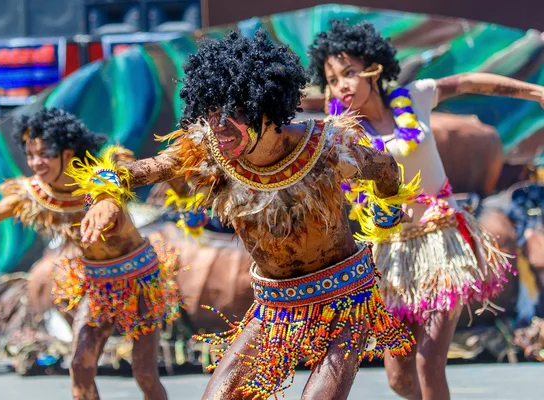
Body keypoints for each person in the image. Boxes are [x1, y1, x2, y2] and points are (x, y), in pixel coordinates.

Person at [74, 30, 417, 400]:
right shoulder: (209, 150)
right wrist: (108, 196)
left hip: (345, 297)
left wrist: (388, 212)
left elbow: (384, 168)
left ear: (265, 107)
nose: (219, 124)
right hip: (275, 308)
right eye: (211, 111)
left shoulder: (326, 146)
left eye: (233, 110)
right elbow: (143, 168)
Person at [307, 20, 541, 400]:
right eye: (332, 80)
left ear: (374, 69)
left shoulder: (415, 97)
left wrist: (536, 92)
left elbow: (468, 82)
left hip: (443, 244)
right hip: (392, 256)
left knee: (429, 360)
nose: (342, 86)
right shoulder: (341, 134)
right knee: (399, 377)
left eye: (348, 73)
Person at [0, 107, 180, 400]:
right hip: (98, 285)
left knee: (144, 373)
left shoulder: (102, 178)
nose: (35, 162)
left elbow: (130, 178)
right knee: (80, 365)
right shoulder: (33, 192)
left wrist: (109, 202)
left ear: (67, 153)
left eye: (43, 154)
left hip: (141, 279)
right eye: (30, 154)